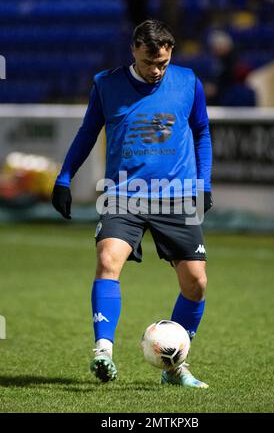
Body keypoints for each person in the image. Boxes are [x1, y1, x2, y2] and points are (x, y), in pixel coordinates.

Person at [52, 20, 213, 388]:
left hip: (176, 195)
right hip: (123, 194)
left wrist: (203, 182)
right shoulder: (105, 84)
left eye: (163, 64)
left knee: (197, 283)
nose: (156, 71)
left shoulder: (188, 81)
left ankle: (174, 369)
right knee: (108, 260)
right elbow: (87, 132)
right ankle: (103, 352)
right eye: (148, 63)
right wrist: (64, 177)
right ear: (134, 51)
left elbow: (202, 130)